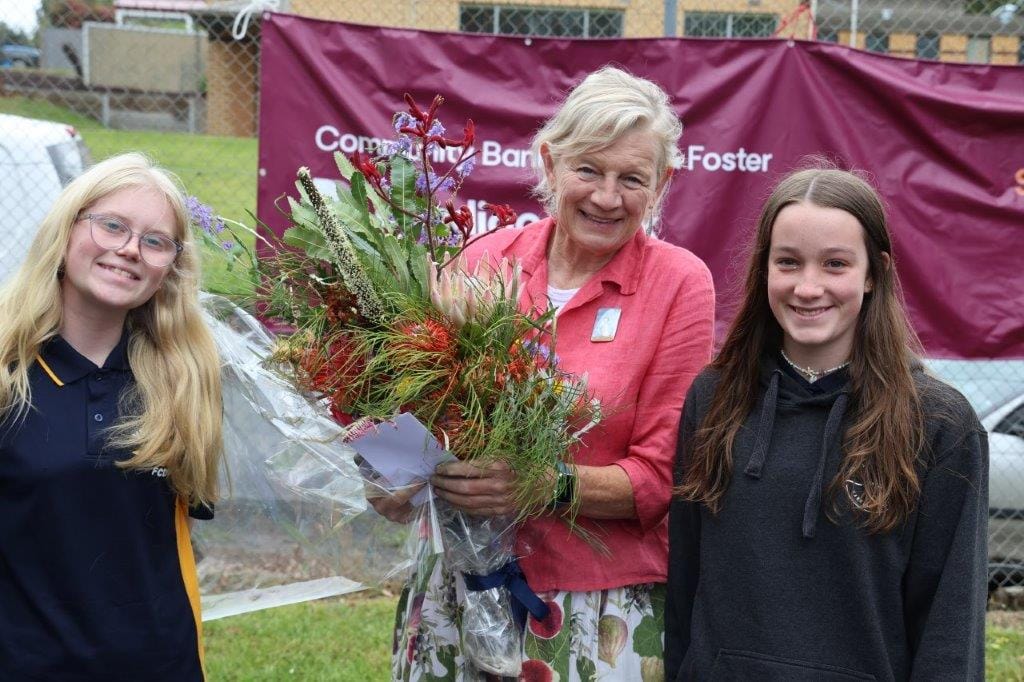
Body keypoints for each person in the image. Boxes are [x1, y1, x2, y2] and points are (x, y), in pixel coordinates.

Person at [389, 66, 716, 680]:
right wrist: (390, 472)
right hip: (456, 590)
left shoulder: (679, 284)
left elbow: (663, 476)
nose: (607, 197)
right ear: (550, 162)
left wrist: (546, 484)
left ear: (663, 184)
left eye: (632, 179)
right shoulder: (486, 261)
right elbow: (419, 407)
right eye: (588, 170)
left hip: (591, 609)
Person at [665, 166, 988, 680]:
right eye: (788, 262)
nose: (808, 287)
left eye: (835, 264)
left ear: (873, 273)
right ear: (764, 269)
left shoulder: (940, 425)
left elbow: (951, 626)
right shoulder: (714, 398)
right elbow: (684, 586)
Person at [0, 153, 223, 680]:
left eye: (155, 240)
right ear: (67, 229)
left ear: (171, 265)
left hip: (161, 665)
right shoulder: (9, 374)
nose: (128, 250)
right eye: (112, 226)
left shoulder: (184, 380)